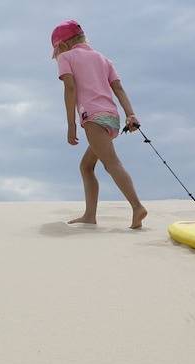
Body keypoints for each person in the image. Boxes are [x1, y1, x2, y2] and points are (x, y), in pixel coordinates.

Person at [52, 19, 147, 229]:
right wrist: (130, 115)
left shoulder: (66, 57)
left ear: (63, 44)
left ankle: (137, 206)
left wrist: (71, 124)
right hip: (112, 118)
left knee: (111, 163)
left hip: (93, 118)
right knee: (86, 166)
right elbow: (119, 89)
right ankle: (89, 215)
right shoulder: (104, 59)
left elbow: (70, 89)